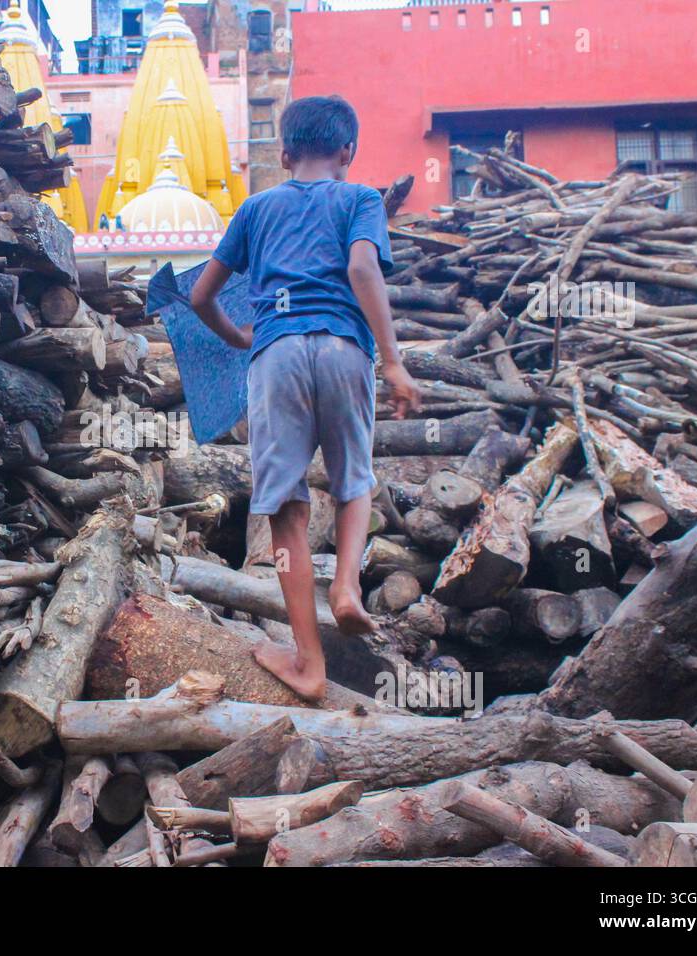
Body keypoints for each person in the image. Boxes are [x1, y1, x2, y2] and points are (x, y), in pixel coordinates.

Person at [189, 94, 422, 700]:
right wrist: (392, 361)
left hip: (277, 357)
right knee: (353, 482)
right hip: (345, 348)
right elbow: (364, 271)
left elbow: (200, 297)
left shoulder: (256, 208)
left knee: (286, 509)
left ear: (284, 153)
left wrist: (241, 334)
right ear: (349, 151)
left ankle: (308, 663)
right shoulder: (362, 200)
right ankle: (346, 586)